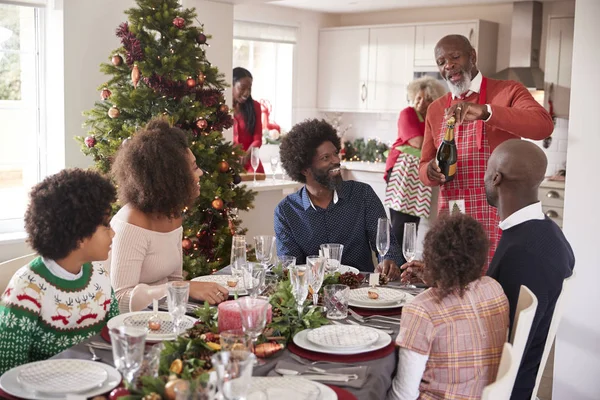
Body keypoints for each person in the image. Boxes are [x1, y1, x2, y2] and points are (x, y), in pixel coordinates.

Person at [419, 34, 554, 268]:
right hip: (453, 218)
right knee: (454, 291)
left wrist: (487, 112)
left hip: (498, 215)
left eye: (454, 57)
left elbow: (543, 125)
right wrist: (429, 172)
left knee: (495, 290)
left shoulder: (508, 91)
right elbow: (423, 165)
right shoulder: (436, 109)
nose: (448, 65)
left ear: (472, 56)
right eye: (441, 62)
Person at [0, 169, 120, 374]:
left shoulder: (99, 274)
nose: (114, 233)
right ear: (79, 237)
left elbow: (115, 334)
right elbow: (8, 374)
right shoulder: (26, 289)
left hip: (98, 380)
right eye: (106, 226)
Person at [107, 118, 228, 313]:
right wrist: (183, 288)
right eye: (194, 168)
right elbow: (119, 300)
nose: (201, 174)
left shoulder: (172, 215)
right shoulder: (131, 221)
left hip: (160, 317)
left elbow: (173, 281)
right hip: (129, 328)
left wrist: (182, 291)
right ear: (172, 178)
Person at [484, 139, 575, 399]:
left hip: (503, 386)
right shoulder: (548, 232)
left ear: (496, 178)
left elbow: (499, 343)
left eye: (487, 171)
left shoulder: (521, 252)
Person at [387, 213, 509, 400]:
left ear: (430, 255)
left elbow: (404, 395)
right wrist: (436, 279)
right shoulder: (494, 289)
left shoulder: (422, 309)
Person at [275, 118, 403, 278]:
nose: (336, 160)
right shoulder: (286, 211)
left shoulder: (363, 194)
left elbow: (387, 243)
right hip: (315, 294)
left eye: (335, 154)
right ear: (305, 169)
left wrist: (388, 260)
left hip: (363, 292)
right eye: (325, 158)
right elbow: (290, 268)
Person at [383, 76, 447, 263]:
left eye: (427, 99)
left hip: (419, 175)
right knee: (400, 224)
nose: (421, 103)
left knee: (412, 226)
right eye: (418, 98)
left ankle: (404, 267)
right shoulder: (408, 113)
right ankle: (391, 265)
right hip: (403, 174)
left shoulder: (433, 118)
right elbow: (418, 142)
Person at [232, 67, 265, 174]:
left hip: (252, 165)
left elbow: (258, 138)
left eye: (249, 88)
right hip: (228, 164)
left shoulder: (255, 107)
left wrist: (246, 155)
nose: (246, 93)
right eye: (242, 88)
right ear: (232, 85)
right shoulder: (222, 107)